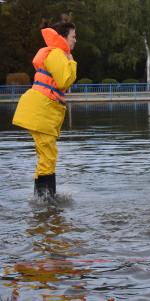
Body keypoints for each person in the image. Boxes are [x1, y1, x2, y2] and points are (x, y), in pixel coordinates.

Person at [12, 20, 77, 199]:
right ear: (63, 37)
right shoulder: (56, 54)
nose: (75, 40)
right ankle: (45, 200)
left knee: (47, 155)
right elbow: (65, 81)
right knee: (48, 156)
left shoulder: (54, 53)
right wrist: (72, 62)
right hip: (41, 111)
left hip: (42, 111)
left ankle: (43, 202)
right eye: (73, 36)